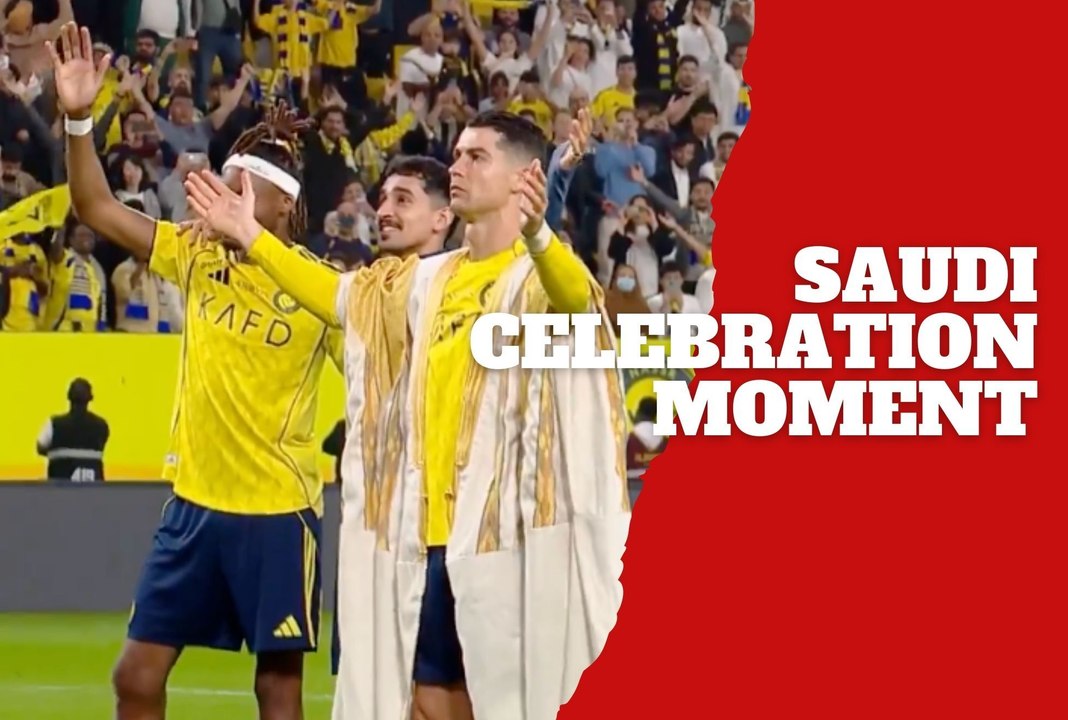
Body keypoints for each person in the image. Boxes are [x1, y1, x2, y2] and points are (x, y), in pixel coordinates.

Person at [184, 110, 630, 720]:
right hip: (425, 542)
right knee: (426, 700)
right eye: (457, 154)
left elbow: (578, 302)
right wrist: (253, 238)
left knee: (507, 698)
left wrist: (540, 235)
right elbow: (341, 300)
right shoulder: (425, 281)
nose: (458, 166)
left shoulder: (535, 274)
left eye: (477, 157)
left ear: (523, 175)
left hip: (509, 543)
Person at [47, 22, 342, 720]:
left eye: (243, 187)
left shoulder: (316, 286)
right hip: (192, 508)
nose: (220, 194)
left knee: (277, 692)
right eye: (223, 180)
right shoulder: (193, 254)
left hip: (277, 513)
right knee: (136, 677)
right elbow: (93, 205)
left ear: (283, 206)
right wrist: (80, 118)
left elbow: (370, 349)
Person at [36, 378, 110, 482]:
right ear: (90, 398)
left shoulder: (54, 424)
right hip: (94, 492)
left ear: (68, 397)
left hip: (60, 491)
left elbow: (41, 446)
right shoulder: (102, 425)